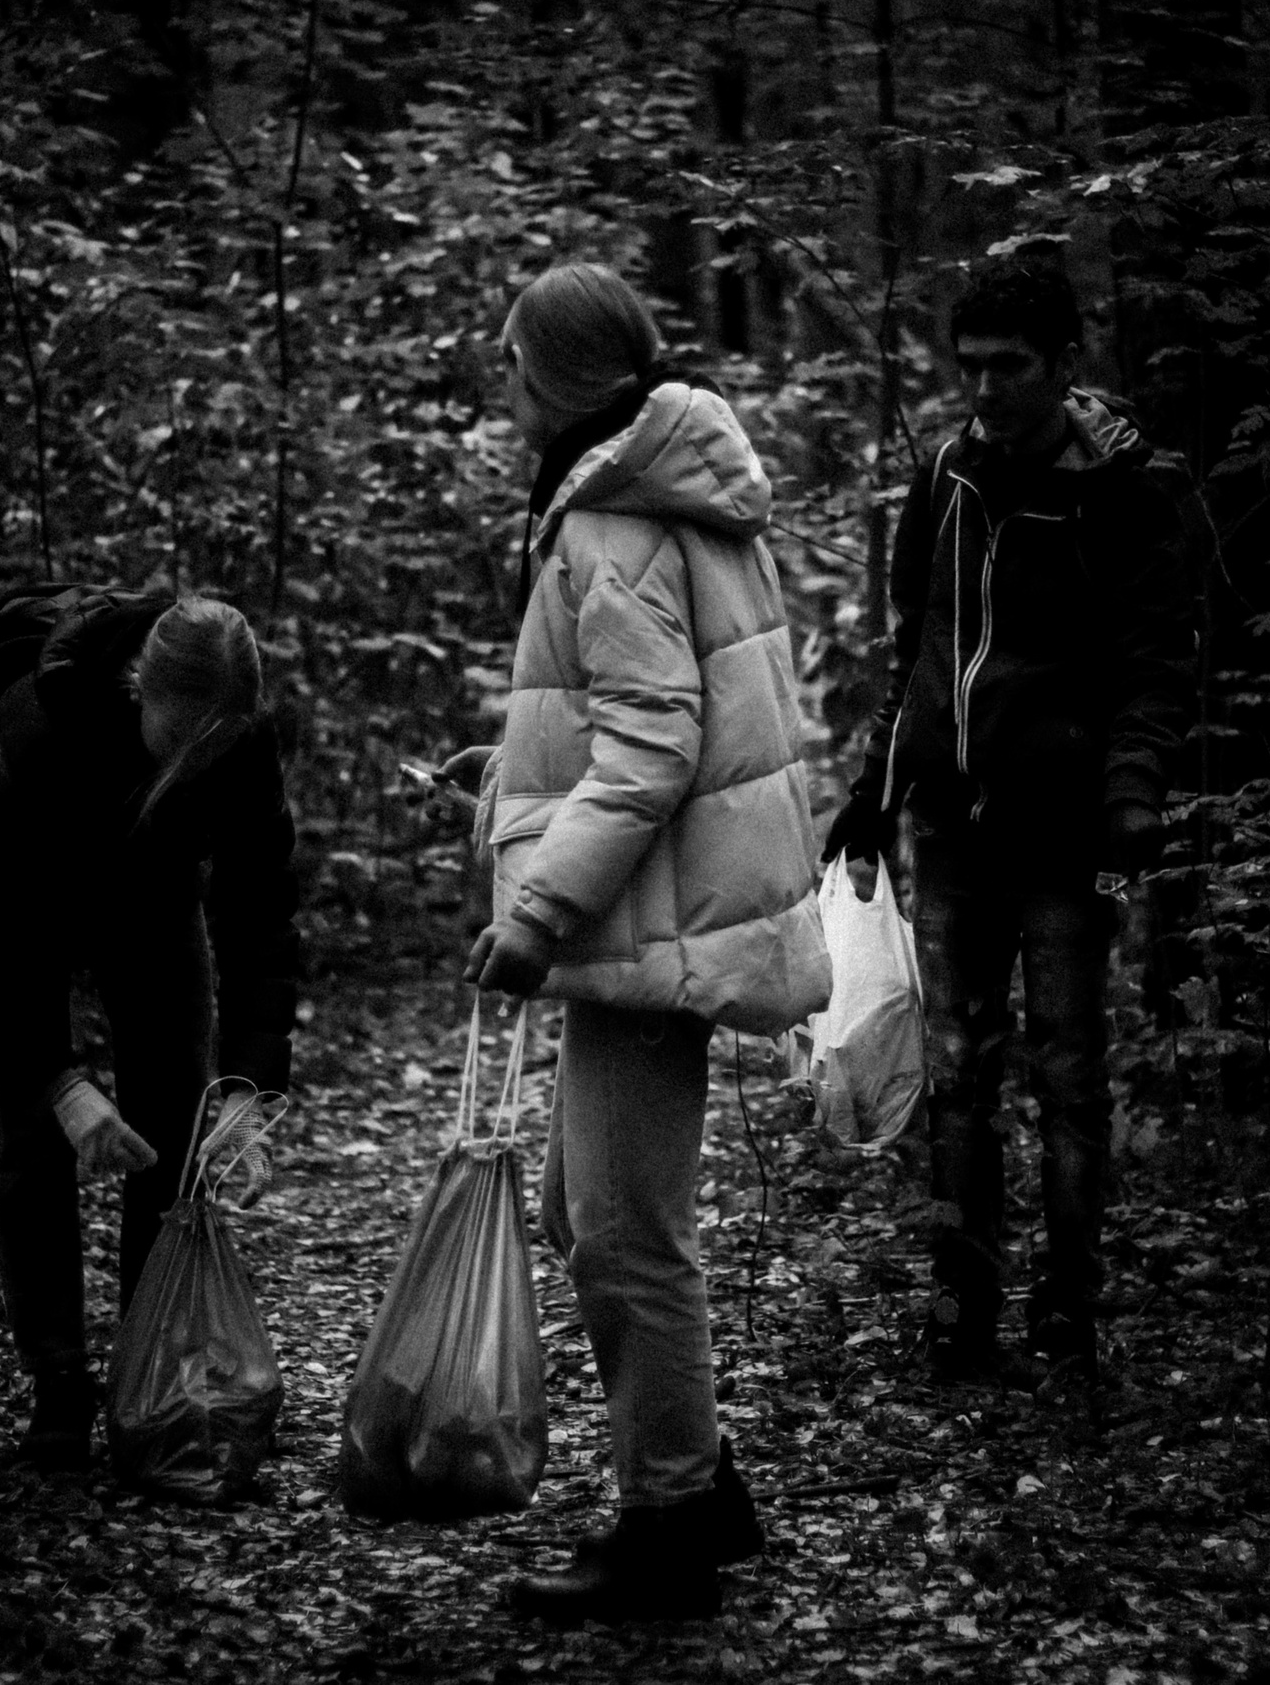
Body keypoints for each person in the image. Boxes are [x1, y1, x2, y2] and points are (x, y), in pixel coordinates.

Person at [444, 261, 831, 1623]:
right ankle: (702, 1484)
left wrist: (536, 905)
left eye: (510, 360)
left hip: (638, 919)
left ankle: (670, 1513)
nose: (499, 385)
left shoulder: (612, 517)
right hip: (656, 905)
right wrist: (513, 785)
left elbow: (653, 746)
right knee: (585, 1211)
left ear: (557, 371)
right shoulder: (662, 490)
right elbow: (649, 717)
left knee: (623, 1232)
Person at [824, 257, 1195, 1386]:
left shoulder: (1129, 488)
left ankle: (1069, 1315)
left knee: (1070, 1076)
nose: (986, 389)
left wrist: (1132, 792)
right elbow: (918, 644)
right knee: (956, 1075)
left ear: (1064, 363)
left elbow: (1153, 662)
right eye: (970, 366)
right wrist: (871, 787)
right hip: (952, 827)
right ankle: (962, 1314)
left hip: (1068, 835)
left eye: (1010, 367)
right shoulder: (944, 471)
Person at [0, 589, 300, 1469]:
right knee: (34, 1128)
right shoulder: (36, 731)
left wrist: (248, 1089)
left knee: (176, 1118)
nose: (206, 761)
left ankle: (149, 1367)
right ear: (139, 688)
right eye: (189, 743)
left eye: (223, 745)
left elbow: (261, 917)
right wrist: (60, 1082)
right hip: (27, 906)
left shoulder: (239, 740)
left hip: (153, 896)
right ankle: (58, 1379)